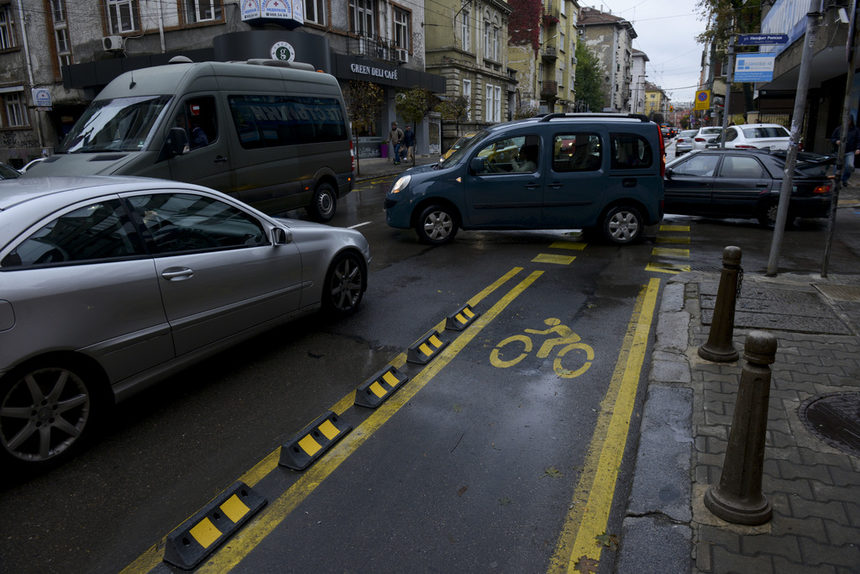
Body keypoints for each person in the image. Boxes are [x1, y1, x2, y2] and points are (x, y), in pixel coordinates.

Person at [830, 116, 860, 187]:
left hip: (850, 151)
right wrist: (836, 141)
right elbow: (832, 138)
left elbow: (858, 140)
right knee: (837, 167)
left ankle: (844, 179)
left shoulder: (856, 130)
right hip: (839, 151)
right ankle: (837, 181)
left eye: (849, 121)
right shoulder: (838, 129)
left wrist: (858, 148)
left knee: (849, 166)